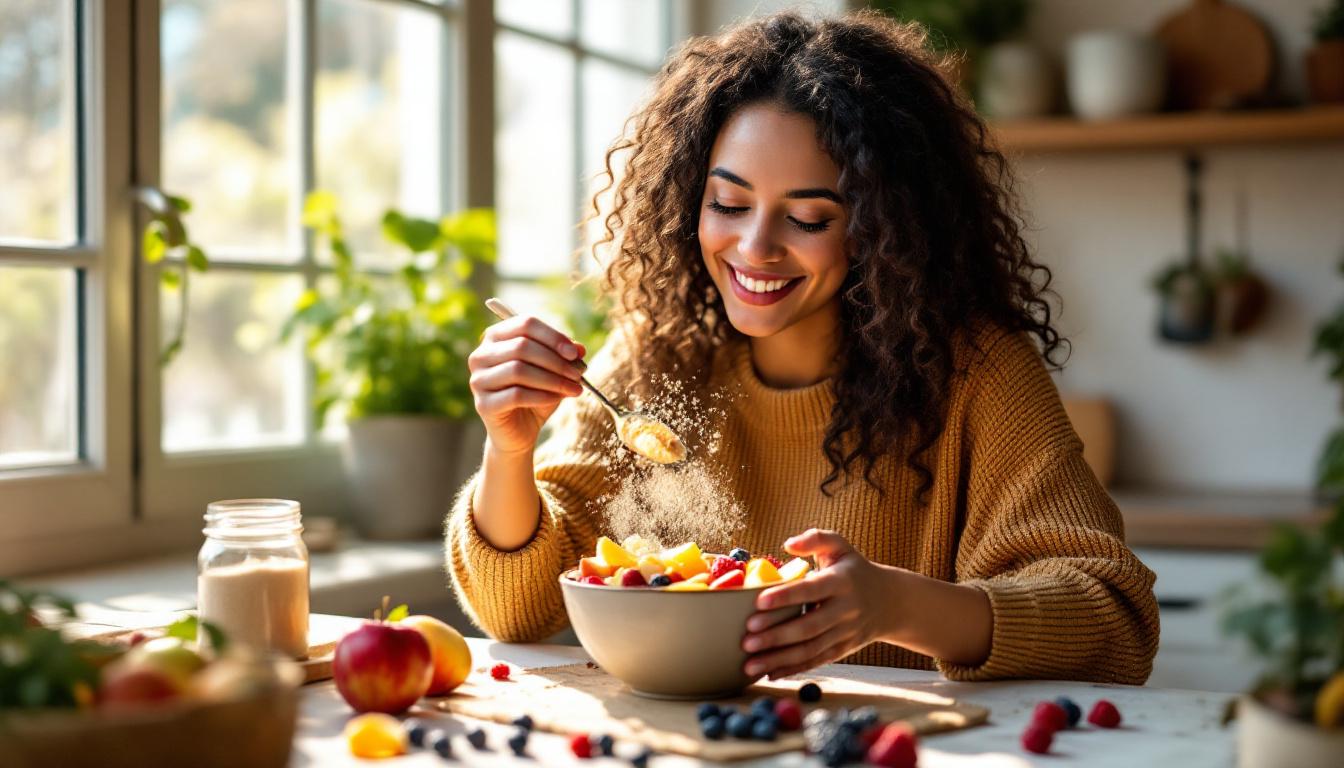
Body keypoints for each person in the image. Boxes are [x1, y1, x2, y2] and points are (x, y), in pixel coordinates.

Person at [448, 10, 1159, 684]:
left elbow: (1114, 621)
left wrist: (900, 607)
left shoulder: (976, 373)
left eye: (809, 217)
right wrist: (508, 451)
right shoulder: (655, 359)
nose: (755, 248)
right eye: (727, 205)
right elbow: (516, 609)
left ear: (885, 228)